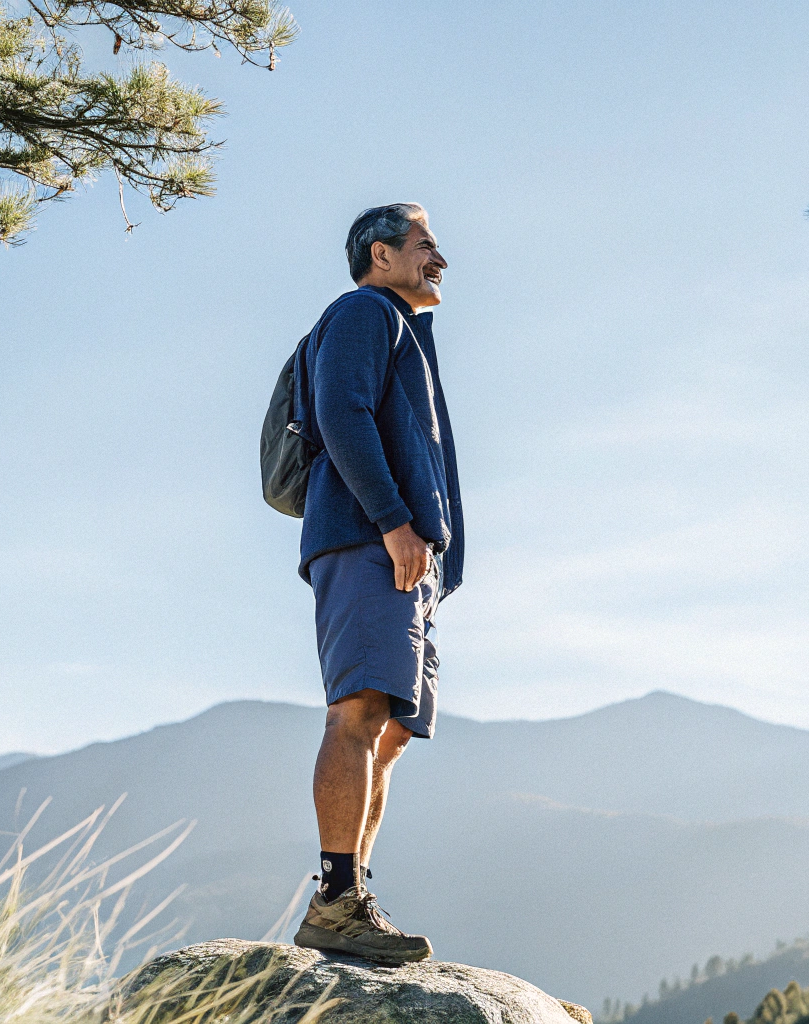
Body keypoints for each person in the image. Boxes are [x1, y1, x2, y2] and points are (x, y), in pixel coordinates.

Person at [291, 204, 464, 964]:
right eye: (426, 244)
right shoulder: (365, 311)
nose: (441, 259)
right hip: (369, 539)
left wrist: (436, 562)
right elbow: (341, 412)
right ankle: (336, 900)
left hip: (405, 560)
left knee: (391, 731)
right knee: (358, 710)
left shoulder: (405, 331)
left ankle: (351, 891)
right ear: (380, 253)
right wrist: (394, 522)